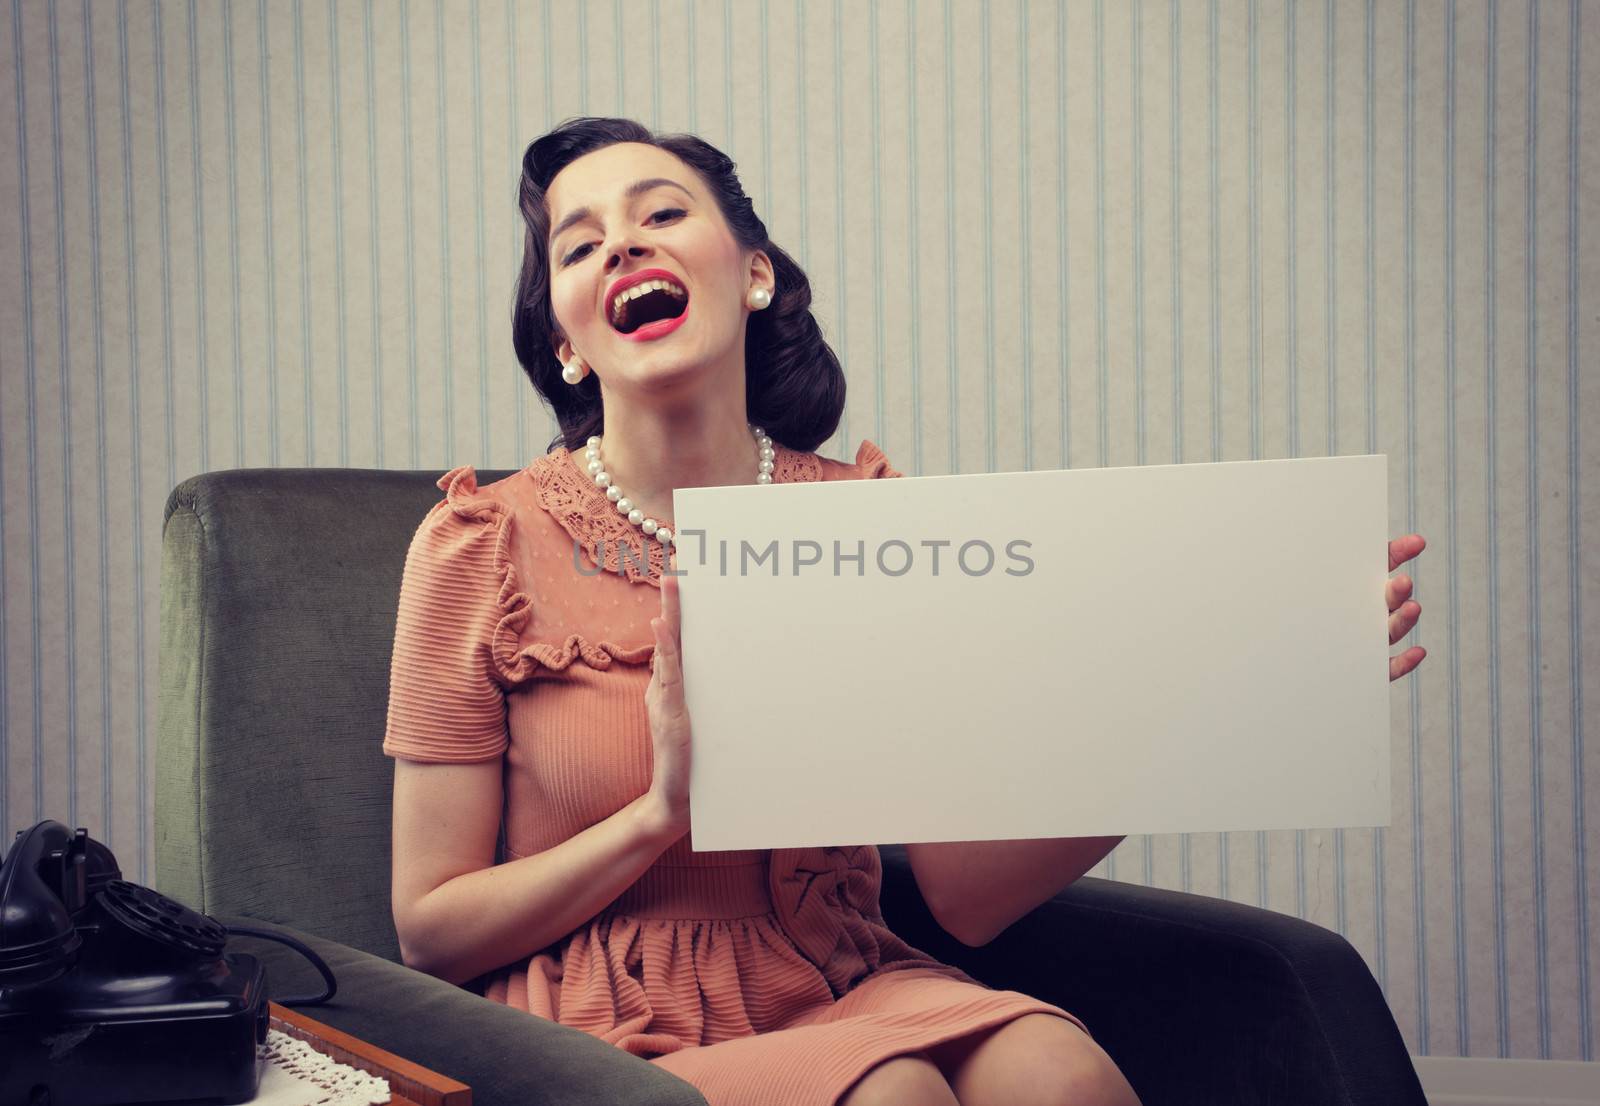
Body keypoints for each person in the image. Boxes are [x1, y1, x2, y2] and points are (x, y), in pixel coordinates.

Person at [381, 116, 1427, 1106]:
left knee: (1060, 1072)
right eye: (578, 244)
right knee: (893, 1093)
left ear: (752, 275)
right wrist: (664, 810)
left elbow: (967, 893)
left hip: (843, 972)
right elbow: (432, 929)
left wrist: (1208, 696)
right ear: (564, 340)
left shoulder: (866, 519)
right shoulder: (481, 544)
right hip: (602, 1013)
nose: (621, 246)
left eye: (659, 213)